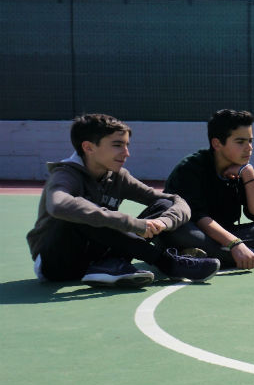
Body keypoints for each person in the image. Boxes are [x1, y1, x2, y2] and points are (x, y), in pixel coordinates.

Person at [26, 113, 219, 287]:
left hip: (96, 255)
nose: (126, 153)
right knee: (86, 211)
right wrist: (134, 224)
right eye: (118, 145)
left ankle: (108, 266)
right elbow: (59, 205)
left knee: (162, 206)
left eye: (127, 145)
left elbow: (175, 201)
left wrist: (162, 222)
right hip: (58, 266)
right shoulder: (65, 175)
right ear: (88, 147)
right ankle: (167, 263)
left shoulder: (118, 176)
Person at [162, 109, 254, 269]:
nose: (249, 148)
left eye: (250, 141)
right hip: (195, 230)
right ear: (217, 143)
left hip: (222, 234)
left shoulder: (243, 170)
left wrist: (248, 173)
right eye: (240, 142)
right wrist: (235, 244)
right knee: (180, 232)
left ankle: (203, 255)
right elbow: (198, 218)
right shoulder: (190, 168)